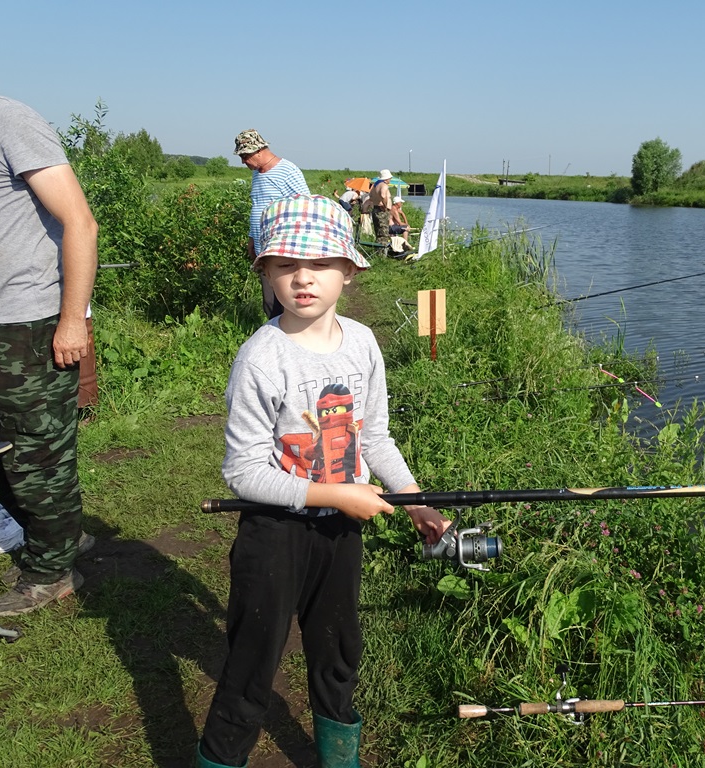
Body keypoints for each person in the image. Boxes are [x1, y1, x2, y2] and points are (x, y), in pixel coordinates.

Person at [196, 194, 451, 768]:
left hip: (341, 532)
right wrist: (333, 493)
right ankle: (220, 755)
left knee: (338, 651)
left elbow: (375, 439)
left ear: (349, 271)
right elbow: (242, 470)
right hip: (274, 533)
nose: (302, 279)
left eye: (318, 265)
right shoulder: (262, 357)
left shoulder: (363, 343)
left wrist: (415, 503)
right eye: (284, 266)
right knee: (252, 665)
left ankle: (339, 756)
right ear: (266, 273)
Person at [0, 47, 98, 615]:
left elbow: (79, 220)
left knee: (37, 455)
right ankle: (57, 533)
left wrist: (71, 319)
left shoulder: (7, 120)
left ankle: (52, 569)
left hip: (31, 321)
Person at [234, 129, 310, 319]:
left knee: (287, 298)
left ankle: (294, 337)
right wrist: (252, 239)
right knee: (269, 301)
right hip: (263, 248)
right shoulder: (257, 173)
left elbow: (306, 205)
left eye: (245, 155)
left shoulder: (288, 171)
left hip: (283, 247)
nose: (243, 161)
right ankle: (275, 337)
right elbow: (257, 207)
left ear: (258, 151)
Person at [369, 168, 393, 246]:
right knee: (384, 233)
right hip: (381, 210)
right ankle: (382, 253)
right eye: (390, 178)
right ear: (386, 179)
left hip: (375, 209)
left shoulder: (375, 185)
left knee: (378, 232)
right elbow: (383, 195)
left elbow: (371, 196)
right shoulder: (384, 185)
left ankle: (378, 250)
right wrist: (385, 205)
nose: (390, 179)